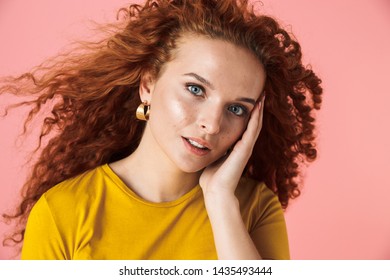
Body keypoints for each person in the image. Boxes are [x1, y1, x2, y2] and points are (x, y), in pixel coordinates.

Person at [1, 0, 322, 260]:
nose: (212, 124)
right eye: (196, 90)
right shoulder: (63, 212)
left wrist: (220, 201)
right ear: (148, 84)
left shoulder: (253, 208)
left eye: (236, 109)